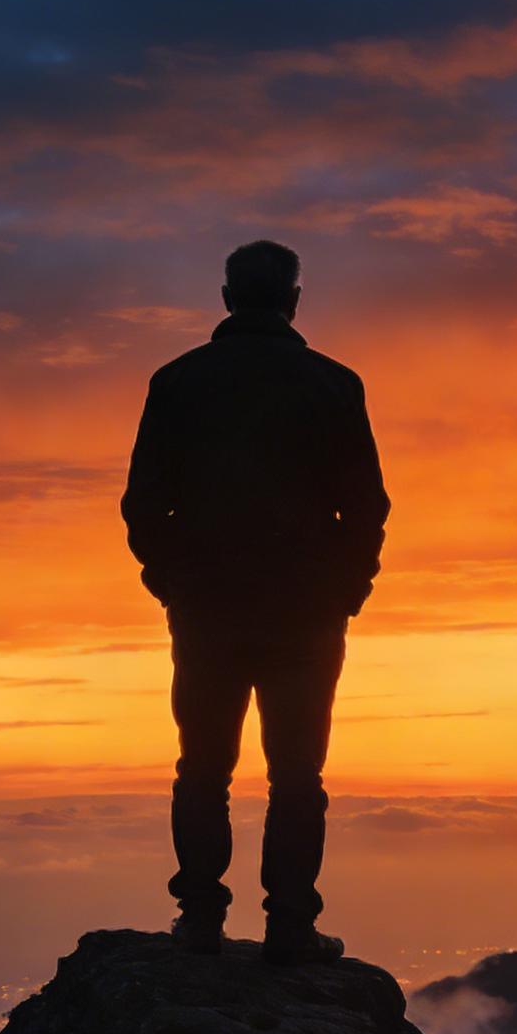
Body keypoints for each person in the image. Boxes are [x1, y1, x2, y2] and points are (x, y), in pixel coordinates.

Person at [121, 240, 389, 963]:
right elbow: (366, 506)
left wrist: (170, 577)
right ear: (295, 301)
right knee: (297, 773)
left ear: (226, 296)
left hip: (207, 606)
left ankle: (201, 919)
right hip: (305, 610)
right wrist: (348, 588)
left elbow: (144, 502)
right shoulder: (333, 385)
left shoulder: (178, 381)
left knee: (202, 765)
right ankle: (291, 928)